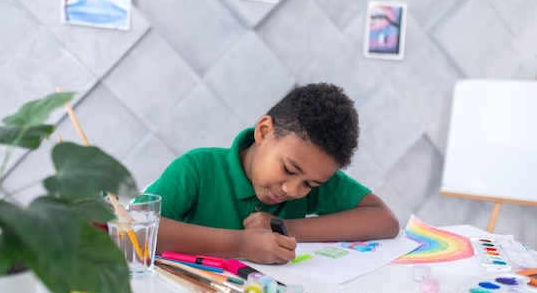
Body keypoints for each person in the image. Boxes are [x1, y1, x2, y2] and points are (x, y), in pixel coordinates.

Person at [146, 82, 400, 264]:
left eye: (309, 184)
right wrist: (242, 245)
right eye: (289, 169)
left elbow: (385, 221)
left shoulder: (310, 175)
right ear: (264, 132)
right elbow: (134, 229)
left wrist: (287, 227)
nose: (293, 190)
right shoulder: (197, 169)